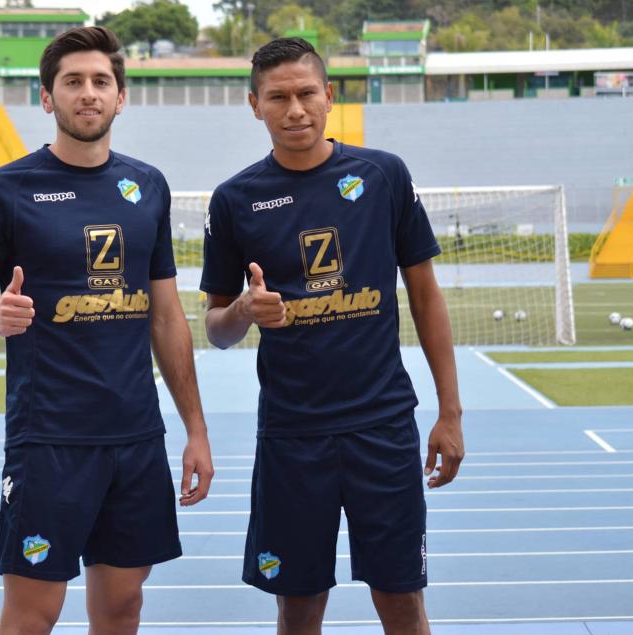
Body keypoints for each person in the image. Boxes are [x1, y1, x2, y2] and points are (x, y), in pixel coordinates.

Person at [0, 26, 214, 635]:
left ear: (121, 98)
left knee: (123, 607)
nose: (88, 93)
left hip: (136, 439)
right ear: (48, 97)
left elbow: (167, 315)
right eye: (73, 82)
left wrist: (195, 429)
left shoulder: (147, 186)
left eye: (101, 82)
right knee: (32, 614)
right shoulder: (1, 192)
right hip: (49, 441)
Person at [201, 38, 465, 635]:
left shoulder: (383, 175)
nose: (294, 109)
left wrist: (450, 412)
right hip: (293, 436)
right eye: (278, 97)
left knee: (401, 602)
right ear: (254, 105)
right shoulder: (235, 200)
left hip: (383, 427)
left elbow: (425, 295)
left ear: (329, 96)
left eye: (305, 94)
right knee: (297, 608)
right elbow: (215, 330)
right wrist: (243, 309)